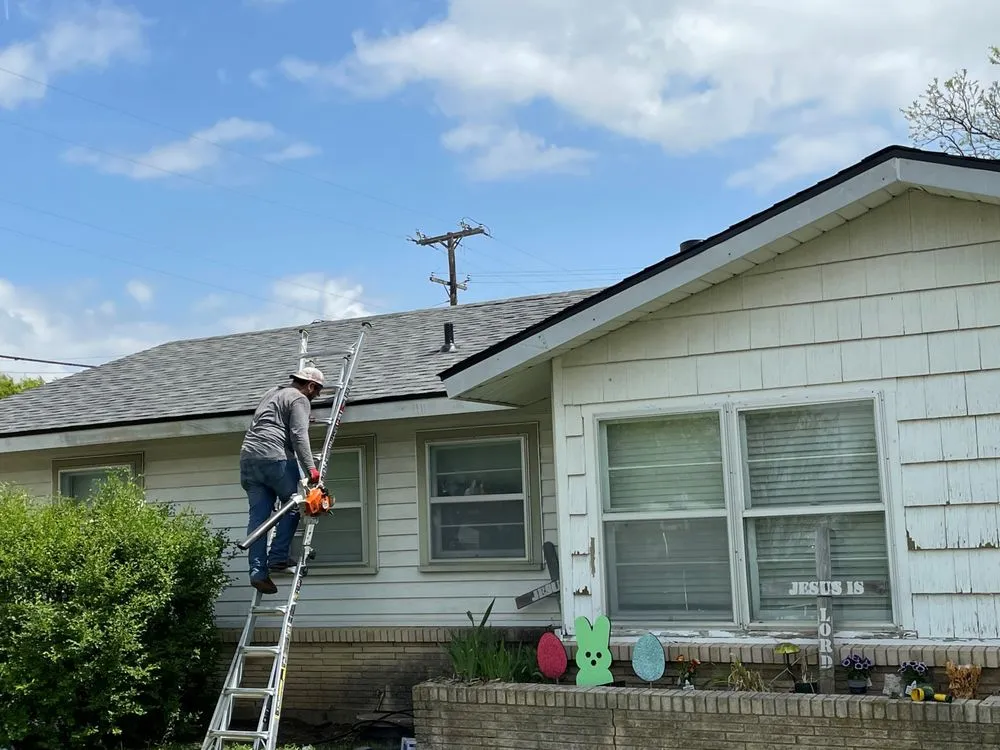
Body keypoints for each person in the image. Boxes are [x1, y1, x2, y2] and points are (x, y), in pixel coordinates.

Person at [239, 366, 325, 594]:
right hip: (274, 458)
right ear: (310, 385)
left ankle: (258, 572)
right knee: (294, 504)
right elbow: (298, 435)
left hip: (248, 460)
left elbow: (273, 420)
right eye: (316, 393)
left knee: (258, 520)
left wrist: (304, 418)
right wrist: (311, 469)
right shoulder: (299, 398)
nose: (315, 398)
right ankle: (277, 558)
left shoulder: (273, 392)